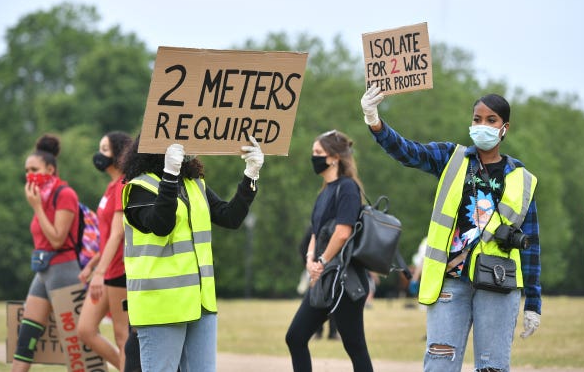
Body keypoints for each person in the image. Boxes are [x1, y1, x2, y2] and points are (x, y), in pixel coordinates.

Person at [360, 88, 541, 372]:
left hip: (498, 281)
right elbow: (408, 151)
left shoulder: (521, 179)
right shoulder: (452, 158)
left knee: (492, 367)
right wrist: (375, 121)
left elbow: (533, 246)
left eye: (491, 120)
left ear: (505, 128)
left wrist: (534, 301)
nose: (483, 126)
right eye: (477, 119)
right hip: (451, 280)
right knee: (439, 364)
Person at [120, 134, 264, 372]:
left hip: (200, 304)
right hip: (161, 307)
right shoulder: (139, 188)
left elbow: (230, 217)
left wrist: (250, 175)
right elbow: (161, 224)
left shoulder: (194, 184)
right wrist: (169, 176)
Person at [285, 129, 373, 372]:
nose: (314, 157)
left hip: (345, 280)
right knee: (296, 337)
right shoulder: (325, 190)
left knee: (355, 346)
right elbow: (316, 231)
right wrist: (310, 260)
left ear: (334, 157)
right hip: (324, 276)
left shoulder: (347, 188)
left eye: (318, 153)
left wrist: (321, 260)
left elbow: (343, 232)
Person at [12, 134, 82, 372]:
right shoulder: (41, 195)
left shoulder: (65, 194)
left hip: (64, 270)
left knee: (77, 347)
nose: (29, 174)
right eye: (26, 170)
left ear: (50, 169)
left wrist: (37, 208)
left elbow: (56, 239)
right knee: (26, 335)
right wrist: (38, 205)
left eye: (34, 169)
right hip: (43, 271)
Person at [77, 131, 133, 371]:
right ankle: (126, 368)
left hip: (118, 271)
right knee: (86, 330)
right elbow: (108, 235)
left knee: (123, 337)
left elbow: (118, 234)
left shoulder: (124, 184)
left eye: (104, 150)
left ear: (119, 154)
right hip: (105, 269)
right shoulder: (111, 187)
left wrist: (98, 272)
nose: (99, 155)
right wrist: (93, 265)